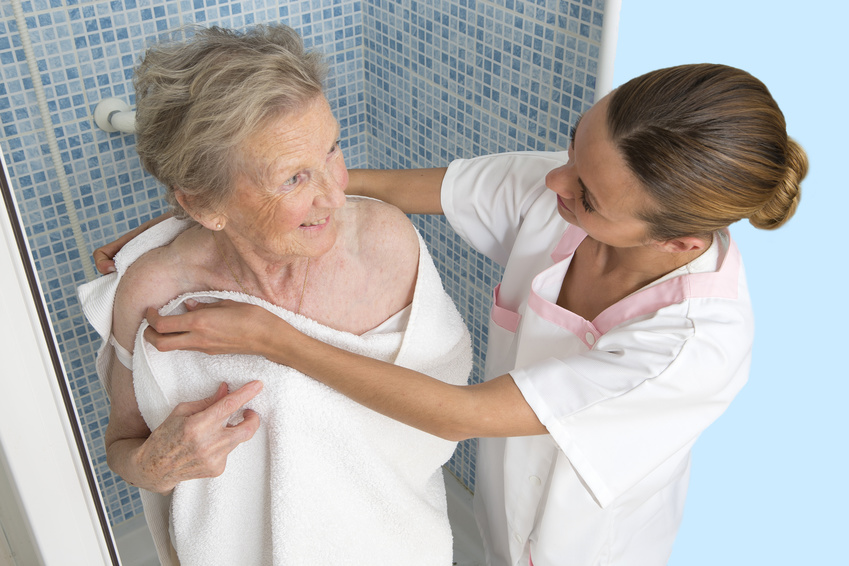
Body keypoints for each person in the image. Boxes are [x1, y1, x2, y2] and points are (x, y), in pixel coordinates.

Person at [100, 63, 808, 565]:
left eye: (585, 195)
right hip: (491, 513)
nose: (552, 182)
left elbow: (458, 415)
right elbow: (407, 187)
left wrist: (275, 339)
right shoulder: (564, 188)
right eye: (570, 148)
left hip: (590, 542)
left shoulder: (691, 347)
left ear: (679, 241)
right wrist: (206, 215)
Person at [78, 24, 472, 566]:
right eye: (293, 179)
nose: (336, 194)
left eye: (333, 147)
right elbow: (124, 447)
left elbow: (445, 415)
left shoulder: (385, 247)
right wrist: (155, 466)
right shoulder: (155, 292)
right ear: (202, 204)